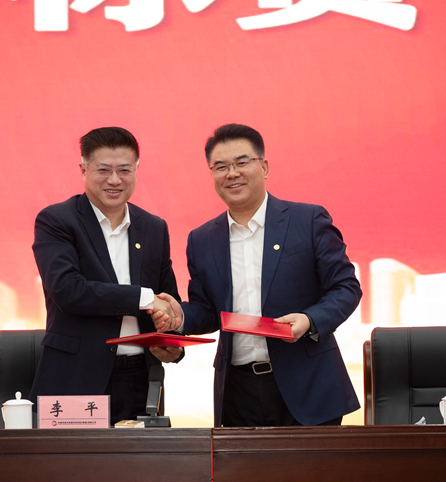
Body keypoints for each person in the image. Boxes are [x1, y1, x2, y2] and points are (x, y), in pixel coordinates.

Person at [157, 124, 361, 427]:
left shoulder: (307, 220)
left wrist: (309, 320)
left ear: (264, 167)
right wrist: (179, 317)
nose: (232, 173)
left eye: (242, 162)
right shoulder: (201, 239)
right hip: (237, 391)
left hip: (308, 385)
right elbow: (208, 311)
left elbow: (345, 287)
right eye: (221, 166)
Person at [30, 126, 182, 423]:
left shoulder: (154, 228)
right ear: (83, 170)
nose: (114, 180)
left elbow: (167, 298)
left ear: (136, 170)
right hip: (76, 378)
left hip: (140, 381)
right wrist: (144, 298)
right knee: (75, 455)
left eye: (124, 170)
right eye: (103, 170)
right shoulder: (57, 220)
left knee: (140, 455)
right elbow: (68, 290)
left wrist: (172, 342)